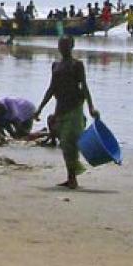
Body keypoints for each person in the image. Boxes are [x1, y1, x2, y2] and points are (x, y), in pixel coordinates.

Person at [34, 35, 99, 189]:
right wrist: (40, 108)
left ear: (72, 46)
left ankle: (72, 179)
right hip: (60, 108)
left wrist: (91, 107)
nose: (62, 48)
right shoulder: (55, 65)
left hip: (75, 107)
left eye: (66, 45)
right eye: (60, 45)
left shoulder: (77, 65)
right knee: (64, 143)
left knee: (71, 141)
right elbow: (51, 88)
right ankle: (71, 177)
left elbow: (84, 86)